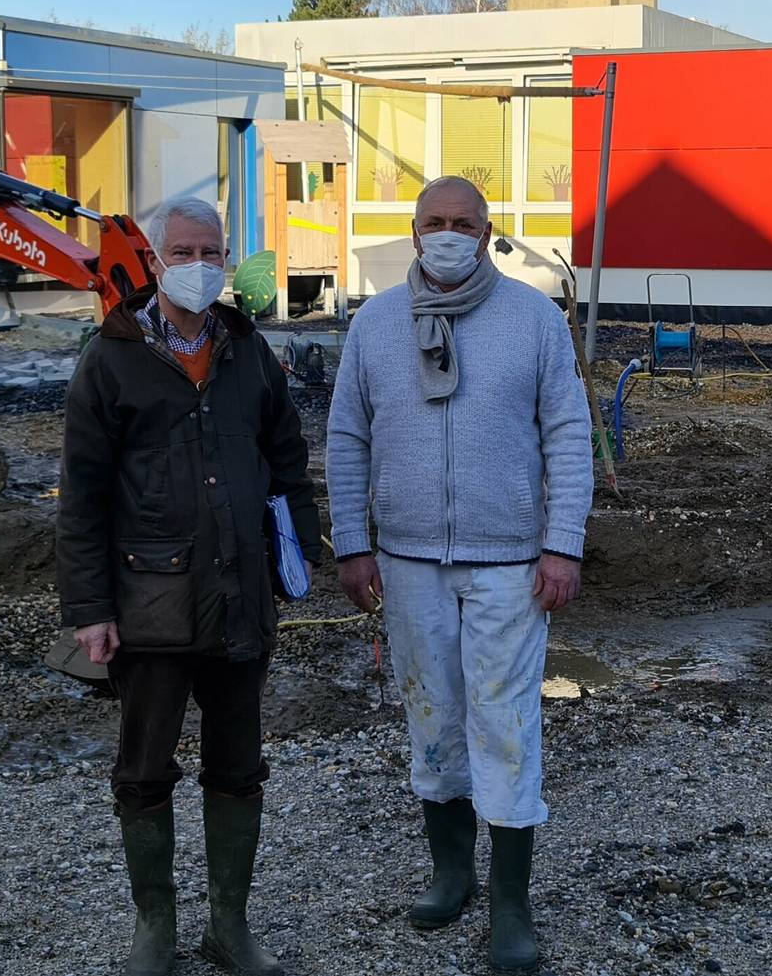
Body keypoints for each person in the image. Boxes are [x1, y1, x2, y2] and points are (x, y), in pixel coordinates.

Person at [326, 175, 593, 974]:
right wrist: (351, 541)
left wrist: (563, 543)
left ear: (487, 233)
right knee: (434, 720)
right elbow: (346, 437)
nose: (448, 234)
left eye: (463, 223)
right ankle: (452, 873)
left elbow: (569, 436)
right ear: (414, 234)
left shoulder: (535, 320)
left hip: (511, 563)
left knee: (506, 728)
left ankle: (512, 902)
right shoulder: (374, 325)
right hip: (407, 563)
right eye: (434, 222)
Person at [58, 195, 319, 976]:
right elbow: (83, 497)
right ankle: (155, 930)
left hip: (242, 601)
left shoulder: (248, 351)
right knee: (144, 770)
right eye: (185, 249)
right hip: (150, 608)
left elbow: (289, 460)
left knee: (239, 766)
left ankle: (229, 926)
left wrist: (297, 556)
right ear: (157, 258)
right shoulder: (112, 358)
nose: (200, 264)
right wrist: (90, 610)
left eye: (212, 250)